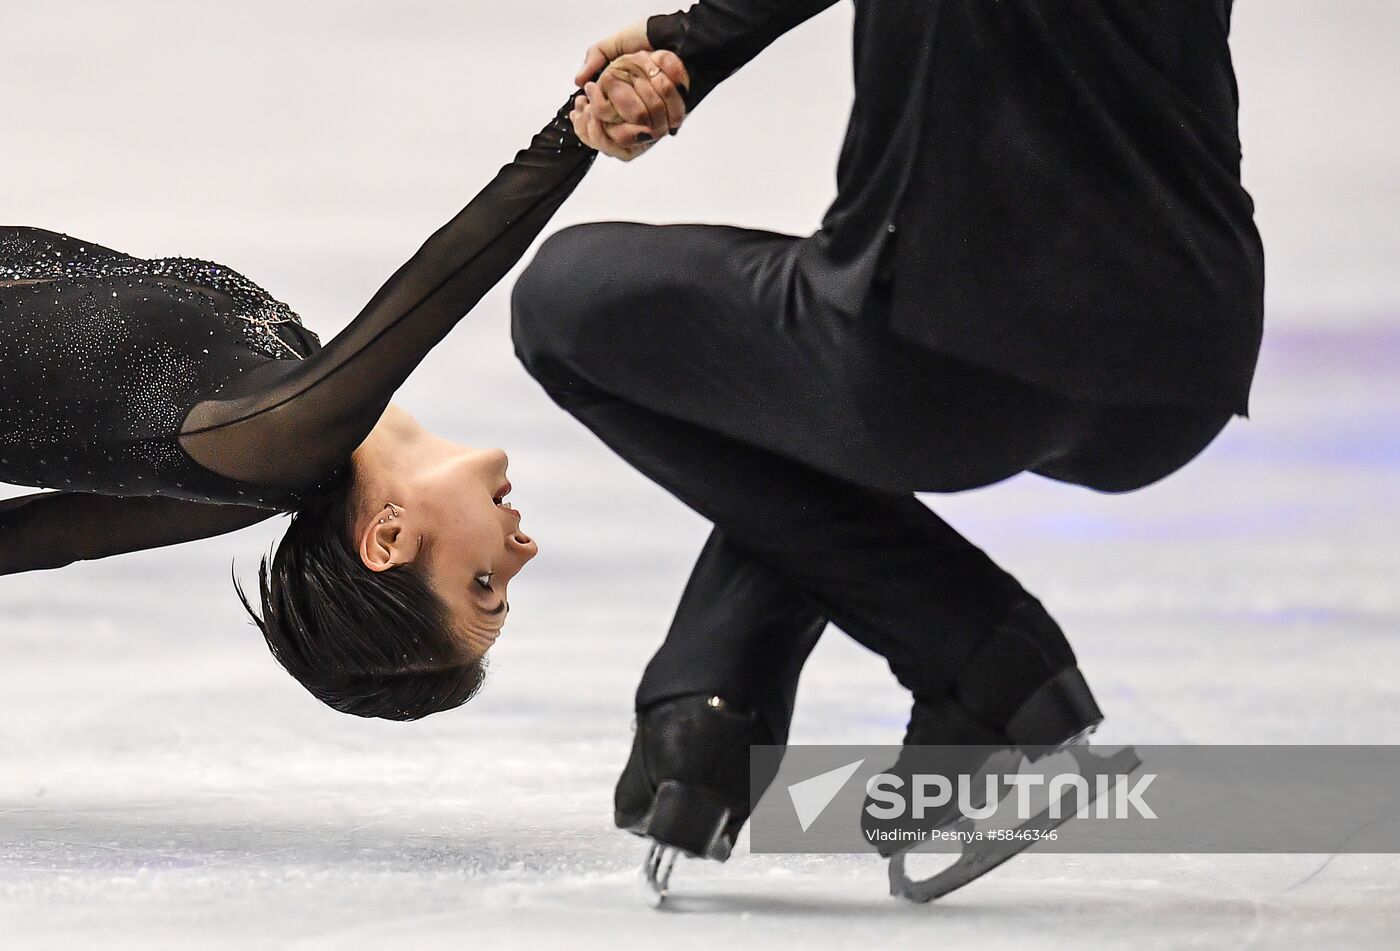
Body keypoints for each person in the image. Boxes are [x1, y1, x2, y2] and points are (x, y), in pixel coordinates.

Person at [511, 0, 1264, 886]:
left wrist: (694, 42)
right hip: (1185, 362)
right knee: (790, 385)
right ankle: (712, 708)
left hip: (951, 358)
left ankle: (981, 657)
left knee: (564, 307)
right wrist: (691, 49)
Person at [0, 52, 689, 721]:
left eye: (484, 584)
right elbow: (55, 538)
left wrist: (577, 130)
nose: (523, 552)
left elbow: (448, 277)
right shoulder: (252, 471)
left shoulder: (286, 438)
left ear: (387, 540)